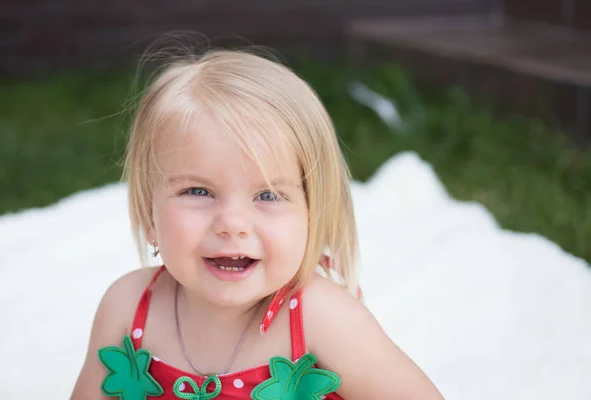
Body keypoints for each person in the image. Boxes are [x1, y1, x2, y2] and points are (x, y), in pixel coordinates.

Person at [72, 48, 444, 399]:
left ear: (313, 214)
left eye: (267, 196)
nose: (231, 224)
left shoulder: (322, 318)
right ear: (148, 212)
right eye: (198, 191)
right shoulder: (127, 307)